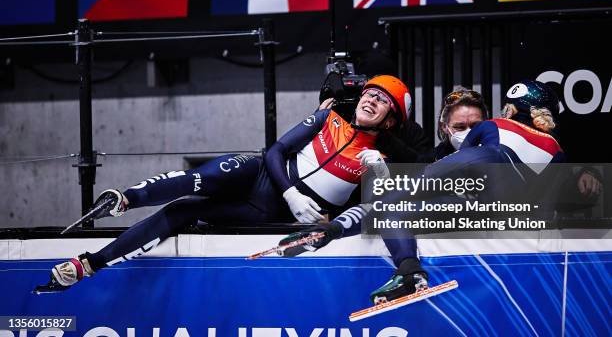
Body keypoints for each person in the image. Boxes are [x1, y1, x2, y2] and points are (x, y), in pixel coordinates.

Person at [36, 75, 413, 293]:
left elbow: (377, 209)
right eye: (370, 93)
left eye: (383, 101)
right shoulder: (327, 118)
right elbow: (276, 150)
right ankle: (127, 198)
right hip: (265, 177)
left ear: (390, 120)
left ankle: (89, 264)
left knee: (182, 211)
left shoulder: (379, 160)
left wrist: (376, 173)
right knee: (208, 177)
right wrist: (291, 191)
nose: (372, 100)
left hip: (267, 213)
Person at [278, 79, 565, 304]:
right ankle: (407, 272)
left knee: (394, 200)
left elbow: (461, 164)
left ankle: (345, 237)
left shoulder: (495, 126)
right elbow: (548, 207)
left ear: (512, 109)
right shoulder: (559, 152)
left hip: (481, 180)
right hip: (503, 211)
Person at [432, 87, 489, 161]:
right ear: (444, 126)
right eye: (460, 127)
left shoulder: (499, 160)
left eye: (476, 126)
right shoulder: (428, 164)